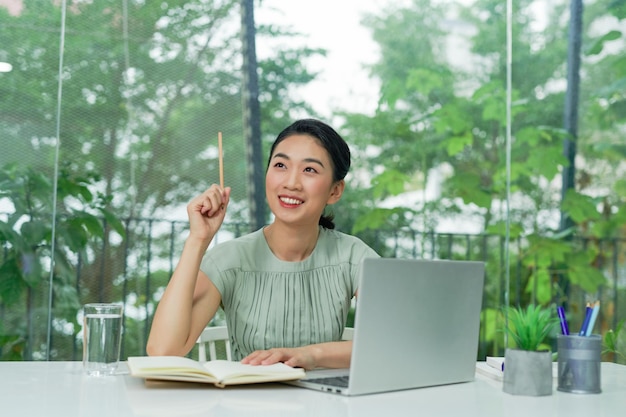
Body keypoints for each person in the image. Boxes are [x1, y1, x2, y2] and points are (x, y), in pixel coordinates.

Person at [146, 118, 379, 370]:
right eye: (280, 165)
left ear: (335, 190)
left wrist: (310, 355)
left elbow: (394, 341)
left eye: (309, 170)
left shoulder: (354, 256)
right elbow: (163, 351)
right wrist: (198, 240)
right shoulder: (230, 259)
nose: (291, 182)